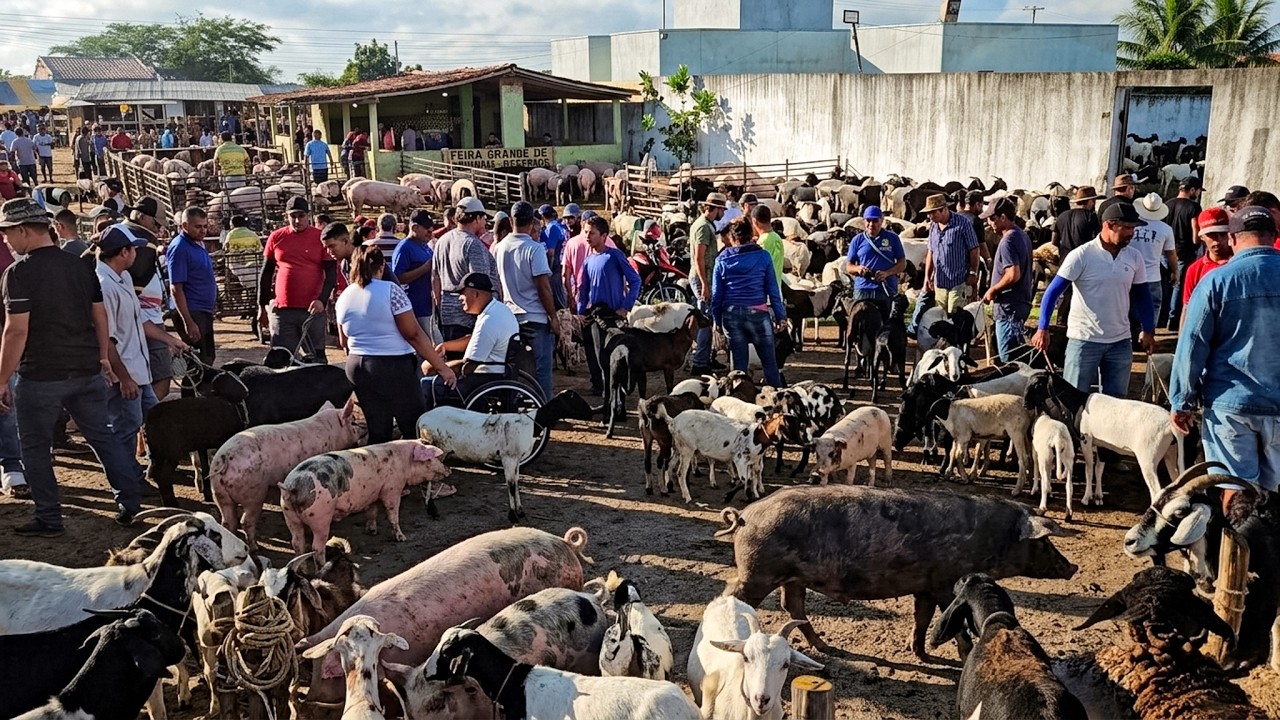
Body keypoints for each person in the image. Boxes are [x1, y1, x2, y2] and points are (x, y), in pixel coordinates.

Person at [0, 198, 145, 535]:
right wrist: (103, 358)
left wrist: (2, 378)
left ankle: (49, 518)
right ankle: (130, 503)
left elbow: (16, 330)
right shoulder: (81, 266)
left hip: (41, 375)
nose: (5, 240)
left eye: (7, 233)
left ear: (23, 231)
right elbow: (99, 315)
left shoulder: (18, 274)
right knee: (103, 438)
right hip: (86, 370)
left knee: (35, 448)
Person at [1169, 205, 1280, 497]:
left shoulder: (1216, 282)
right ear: (1274, 236)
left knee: (1235, 488)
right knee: (1275, 494)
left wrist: (1182, 401)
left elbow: (1192, 345)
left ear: (1232, 239)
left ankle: (1233, 543)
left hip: (1231, 405)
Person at [1032, 201, 1154, 397]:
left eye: (1134, 228)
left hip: (1120, 341)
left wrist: (1148, 330)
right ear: (1108, 225)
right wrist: (1042, 327)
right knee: (1073, 399)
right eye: (1127, 228)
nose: (1132, 233)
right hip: (1084, 341)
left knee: (1115, 403)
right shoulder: (1081, 256)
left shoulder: (1135, 257)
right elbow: (1053, 292)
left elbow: (1143, 295)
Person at [336, 245, 455, 444]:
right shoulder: (391, 290)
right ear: (382, 267)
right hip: (393, 366)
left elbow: (343, 341)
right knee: (412, 425)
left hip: (357, 365)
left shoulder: (345, 296)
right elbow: (414, 334)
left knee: (378, 428)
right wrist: (441, 367)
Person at [97, 224, 182, 489]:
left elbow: (139, 321)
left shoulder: (121, 278)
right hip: (126, 370)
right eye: (132, 248)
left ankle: (150, 472)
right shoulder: (104, 285)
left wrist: (170, 340)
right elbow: (107, 337)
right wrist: (123, 377)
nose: (136, 252)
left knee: (153, 419)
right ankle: (125, 481)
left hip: (137, 368)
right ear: (123, 252)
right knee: (125, 428)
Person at [494, 201, 559, 400]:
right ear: (532, 222)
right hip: (535, 317)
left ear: (511, 220)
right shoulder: (534, 249)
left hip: (509, 317)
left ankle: (513, 406)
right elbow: (543, 287)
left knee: (514, 368)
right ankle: (544, 410)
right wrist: (553, 317)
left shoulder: (499, 247)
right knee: (542, 369)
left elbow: (496, 282)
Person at [423, 272, 519, 407]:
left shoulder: (488, 320)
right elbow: (473, 339)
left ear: (476, 294)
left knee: (427, 384)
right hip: (499, 374)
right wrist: (445, 346)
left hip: (485, 380)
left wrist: (437, 367)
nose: (460, 298)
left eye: (463, 293)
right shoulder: (498, 310)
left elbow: (467, 367)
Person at [712, 218, 787, 388]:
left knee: (739, 368)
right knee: (770, 364)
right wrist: (780, 316)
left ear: (732, 237)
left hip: (731, 316)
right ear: (751, 234)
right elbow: (773, 290)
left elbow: (717, 296)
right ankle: (779, 402)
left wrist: (716, 321)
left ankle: (740, 405)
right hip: (758, 313)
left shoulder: (721, 260)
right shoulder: (763, 256)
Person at [260, 197, 336, 363]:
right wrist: (261, 306)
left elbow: (331, 273)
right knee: (280, 360)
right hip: (283, 311)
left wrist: (322, 300)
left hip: (312, 310)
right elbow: (266, 273)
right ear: (286, 216)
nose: (297, 220)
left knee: (317, 360)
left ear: (308, 215)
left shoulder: (320, 238)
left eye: (301, 215)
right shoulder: (276, 237)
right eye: (292, 216)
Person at [575, 216, 641, 396]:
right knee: (599, 358)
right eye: (586, 232)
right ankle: (606, 395)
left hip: (613, 317)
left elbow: (635, 280)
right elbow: (583, 288)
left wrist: (626, 307)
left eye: (592, 233)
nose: (588, 237)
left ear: (604, 236)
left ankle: (617, 397)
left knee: (616, 359)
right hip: (596, 317)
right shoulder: (588, 260)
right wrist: (581, 311)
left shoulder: (615, 256)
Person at [434, 197, 501, 344]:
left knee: (451, 361)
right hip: (468, 316)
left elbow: (435, 278)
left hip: (447, 314)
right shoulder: (473, 244)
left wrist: (440, 306)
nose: (485, 221)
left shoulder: (442, 241)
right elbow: (480, 283)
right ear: (476, 218)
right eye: (483, 218)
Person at [980, 197, 1033, 362]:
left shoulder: (1008, 241)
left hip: (1009, 307)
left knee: (1009, 360)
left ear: (1003, 217)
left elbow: (1013, 274)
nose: (989, 223)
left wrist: (993, 289)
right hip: (1019, 304)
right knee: (1016, 355)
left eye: (992, 218)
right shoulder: (1021, 235)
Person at [167, 207, 219, 365]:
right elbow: (176, 288)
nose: (203, 231)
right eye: (198, 226)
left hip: (202, 310)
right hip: (192, 311)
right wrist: (188, 322)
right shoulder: (180, 248)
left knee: (206, 359)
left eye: (205, 226)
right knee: (199, 362)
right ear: (185, 226)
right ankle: (194, 390)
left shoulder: (197, 243)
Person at [1130, 193, 1177, 346]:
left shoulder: (1132, 226)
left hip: (1130, 273)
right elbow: (1170, 253)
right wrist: (1175, 271)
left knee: (1129, 307)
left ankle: (1131, 336)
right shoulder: (1165, 229)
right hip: (1152, 275)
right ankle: (1147, 335)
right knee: (1152, 307)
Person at [845, 205, 906, 323]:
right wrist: (858, 269)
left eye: (875, 220)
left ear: (882, 221)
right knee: (858, 323)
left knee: (886, 324)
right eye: (868, 220)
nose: (871, 224)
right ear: (863, 221)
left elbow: (902, 263)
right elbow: (849, 266)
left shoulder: (892, 238)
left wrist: (887, 273)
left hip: (885, 288)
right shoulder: (857, 240)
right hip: (863, 288)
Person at [689, 193, 727, 374]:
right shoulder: (703, 227)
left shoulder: (705, 225)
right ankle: (699, 364)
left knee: (708, 319)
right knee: (705, 321)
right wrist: (704, 284)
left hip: (706, 275)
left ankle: (705, 358)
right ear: (716, 209)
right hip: (702, 276)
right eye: (722, 209)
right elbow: (699, 257)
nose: (723, 213)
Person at [922, 193, 980, 313]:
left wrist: (973, 272)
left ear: (944, 210)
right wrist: (927, 277)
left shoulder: (963, 224)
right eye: (929, 213)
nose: (930, 216)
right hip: (940, 282)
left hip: (958, 281)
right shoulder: (933, 227)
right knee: (940, 314)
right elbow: (931, 252)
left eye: (933, 212)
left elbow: (974, 249)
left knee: (955, 315)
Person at [1165, 176, 1204, 329]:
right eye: (1198, 190)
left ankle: (1162, 318)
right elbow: (1195, 234)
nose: (1199, 194)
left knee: (1166, 284)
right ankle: (1173, 321)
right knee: (1178, 285)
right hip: (1184, 251)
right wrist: (1198, 244)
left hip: (1165, 250)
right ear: (1192, 190)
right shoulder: (1194, 207)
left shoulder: (1167, 204)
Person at [1179, 207, 1232, 318]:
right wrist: (1183, 335)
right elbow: (1187, 307)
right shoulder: (1195, 269)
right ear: (1202, 237)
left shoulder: (1240, 265)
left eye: (1222, 234)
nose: (1217, 241)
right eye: (1211, 235)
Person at [392, 210, 437, 340]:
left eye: (431, 226)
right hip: (415, 307)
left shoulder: (424, 245)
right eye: (426, 227)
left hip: (427, 306)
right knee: (432, 346)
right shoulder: (404, 248)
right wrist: (424, 268)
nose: (430, 230)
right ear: (414, 227)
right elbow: (398, 278)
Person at [562, 211, 616, 310]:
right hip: (603, 295)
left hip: (579, 295)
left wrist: (570, 296)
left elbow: (565, 275)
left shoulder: (572, 243)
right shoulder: (607, 241)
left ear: (582, 222)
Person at [537, 204, 569, 310]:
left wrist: (549, 269)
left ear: (542, 217)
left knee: (556, 294)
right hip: (562, 260)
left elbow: (551, 252)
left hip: (554, 264)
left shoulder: (551, 228)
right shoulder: (560, 226)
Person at [750, 205, 785, 287]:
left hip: (766, 294)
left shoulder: (763, 242)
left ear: (755, 222)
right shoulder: (777, 237)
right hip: (777, 291)